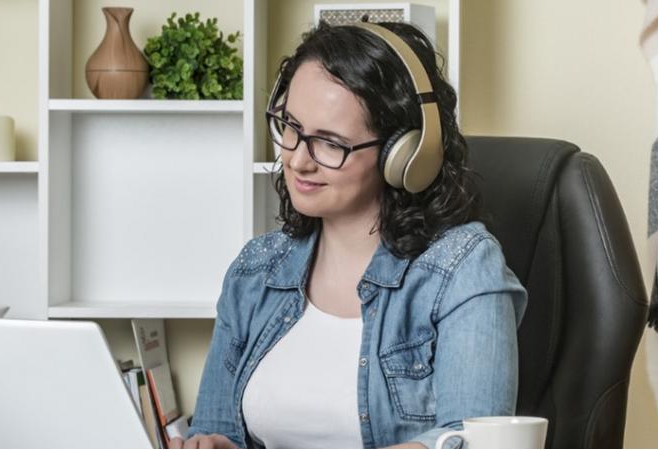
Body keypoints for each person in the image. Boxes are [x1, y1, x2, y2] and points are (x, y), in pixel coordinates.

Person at [170, 21, 526, 449]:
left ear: (406, 154)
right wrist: (211, 444)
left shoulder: (463, 268)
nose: (298, 160)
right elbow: (217, 429)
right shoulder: (254, 272)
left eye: (330, 143)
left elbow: (476, 439)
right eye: (290, 126)